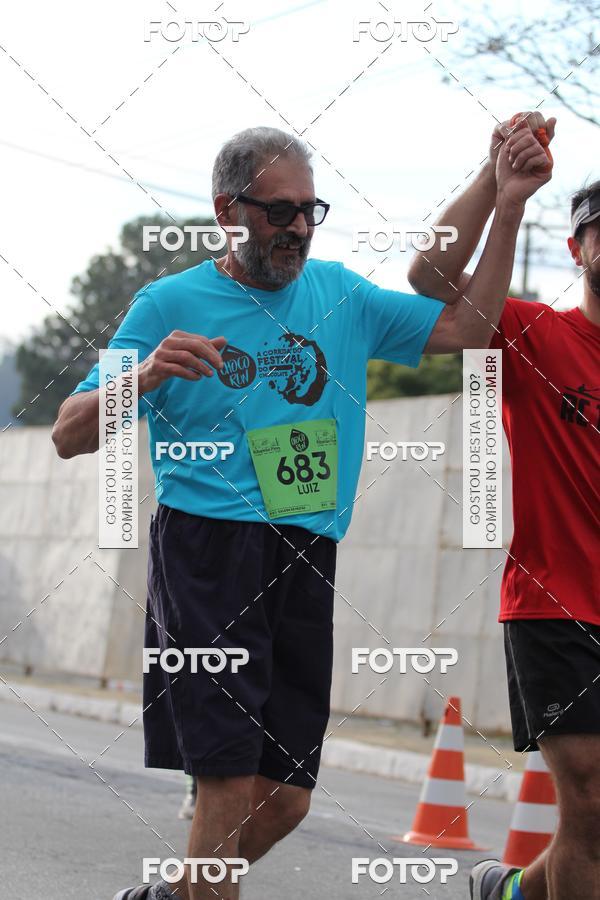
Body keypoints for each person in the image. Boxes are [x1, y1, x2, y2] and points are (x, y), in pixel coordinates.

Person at [52, 122, 552, 900]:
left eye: (308, 212)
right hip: (206, 554)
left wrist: (509, 201)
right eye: (279, 212)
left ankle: (175, 893)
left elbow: (467, 329)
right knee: (224, 778)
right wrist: (144, 376)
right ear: (229, 210)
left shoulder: (342, 294)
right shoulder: (168, 302)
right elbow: (68, 434)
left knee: (285, 798)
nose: (296, 230)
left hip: (307, 552)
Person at [408, 119, 600, 900]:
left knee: (594, 827)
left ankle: (514, 892)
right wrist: (503, 190)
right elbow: (431, 282)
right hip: (555, 608)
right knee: (589, 801)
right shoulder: (532, 334)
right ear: (578, 249)